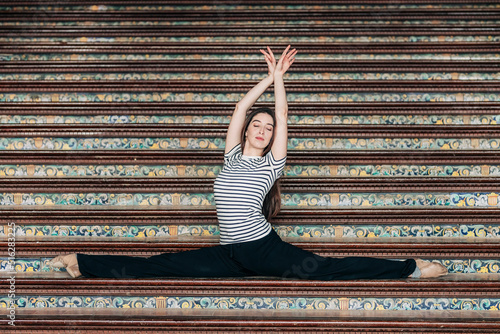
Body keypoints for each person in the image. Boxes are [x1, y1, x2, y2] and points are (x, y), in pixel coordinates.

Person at [49, 46, 448, 280]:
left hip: (263, 250)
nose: (261, 128)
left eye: (267, 127)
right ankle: (81, 263)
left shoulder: (272, 164)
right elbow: (240, 106)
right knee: (162, 266)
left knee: (327, 268)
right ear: (245, 132)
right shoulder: (233, 155)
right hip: (228, 254)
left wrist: (279, 81)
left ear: (273, 138)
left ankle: (411, 268)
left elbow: (284, 115)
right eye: (256, 124)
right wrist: (264, 75)